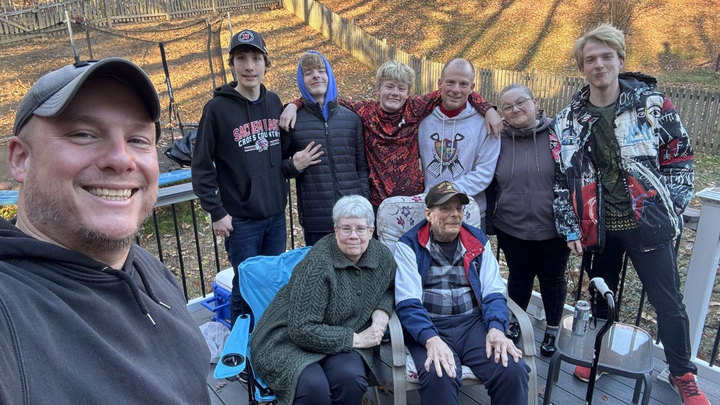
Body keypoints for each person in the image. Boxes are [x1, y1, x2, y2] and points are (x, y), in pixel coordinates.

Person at [0, 58, 210, 404]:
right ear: (21, 159)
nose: (121, 159)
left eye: (138, 139)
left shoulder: (147, 267)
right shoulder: (10, 311)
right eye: (83, 134)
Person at [550, 24, 706, 404]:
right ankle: (601, 355)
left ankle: (682, 372)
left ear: (620, 60)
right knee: (602, 295)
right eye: (591, 59)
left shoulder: (652, 104)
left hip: (647, 223)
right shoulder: (568, 119)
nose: (599, 65)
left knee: (667, 302)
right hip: (598, 227)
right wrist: (570, 227)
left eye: (607, 57)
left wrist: (668, 207)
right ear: (582, 68)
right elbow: (561, 178)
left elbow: (680, 156)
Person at [280, 60, 502, 212]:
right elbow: (326, 100)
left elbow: (456, 91)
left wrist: (488, 108)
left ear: (408, 92)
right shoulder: (365, 112)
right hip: (377, 201)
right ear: (378, 88)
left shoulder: (415, 108)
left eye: (401, 88)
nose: (395, 93)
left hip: (414, 200)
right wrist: (294, 104)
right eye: (389, 86)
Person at [250, 195, 395, 405]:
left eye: (360, 229)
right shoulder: (317, 266)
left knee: (350, 379)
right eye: (346, 228)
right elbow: (301, 329)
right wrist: (356, 340)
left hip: (343, 333)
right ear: (336, 230)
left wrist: (381, 313)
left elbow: (389, 288)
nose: (353, 236)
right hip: (287, 340)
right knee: (314, 389)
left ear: (371, 231)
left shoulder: (382, 256)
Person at [394, 181, 529, 405]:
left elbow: (494, 291)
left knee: (511, 369)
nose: (455, 214)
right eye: (445, 208)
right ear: (428, 214)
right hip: (431, 326)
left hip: (473, 325)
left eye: (458, 208)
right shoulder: (409, 245)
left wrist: (496, 328)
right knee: (439, 375)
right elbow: (408, 303)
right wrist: (430, 339)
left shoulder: (477, 241)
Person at [192, 29, 291, 325]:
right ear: (232, 64)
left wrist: (295, 106)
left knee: (272, 283)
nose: (249, 66)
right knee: (245, 287)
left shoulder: (274, 102)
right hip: (242, 221)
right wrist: (216, 211)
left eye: (256, 59)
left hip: (276, 216)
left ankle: (270, 340)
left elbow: (284, 155)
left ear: (266, 64)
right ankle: (241, 345)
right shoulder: (217, 109)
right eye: (242, 59)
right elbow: (201, 164)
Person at [492, 83, 569, 357]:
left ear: (535, 102)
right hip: (511, 225)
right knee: (519, 276)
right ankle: (515, 321)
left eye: (521, 102)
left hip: (553, 227)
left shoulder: (558, 133)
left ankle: (552, 329)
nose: (515, 110)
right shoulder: (497, 138)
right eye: (507, 107)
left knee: (553, 279)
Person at [282, 50, 369, 246]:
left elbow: (362, 167)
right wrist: (294, 165)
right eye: (308, 72)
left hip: (352, 218)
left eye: (321, 71)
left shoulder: (352, 119)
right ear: (301, 80)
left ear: (329, 75)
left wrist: (363, 198)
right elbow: (279, 168)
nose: (316, 76)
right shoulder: (293, 121)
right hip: (316, 222)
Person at [418, 58, 501, 230]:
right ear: (440, 83)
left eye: (463, 84)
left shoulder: (486, 124)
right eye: (450, 82)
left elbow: (484, 172)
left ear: (472, 88)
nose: (456, 90)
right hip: (430, 209)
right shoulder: (422, 120)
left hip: (469, 211)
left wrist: (445, 193)